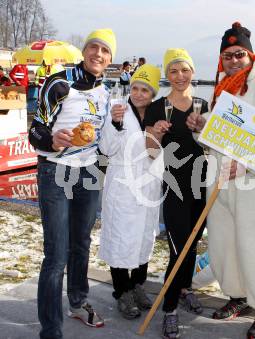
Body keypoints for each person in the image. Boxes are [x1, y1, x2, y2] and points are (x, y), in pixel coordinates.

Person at [186, 22, 255, 339]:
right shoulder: (222, 89)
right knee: (224, 244)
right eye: (227, 56)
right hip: (221, 179)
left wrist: (245, 164)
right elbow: (217, 137)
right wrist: (199, 127)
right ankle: (237, 296)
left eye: (238, 54)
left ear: (249, 54)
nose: (232, 60)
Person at [28, 28, 116, 339]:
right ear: (85, 50)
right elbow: (35, 130)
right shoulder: (60, 82)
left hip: (89, 174)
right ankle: (51, 330)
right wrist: (51, 140)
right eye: (94, 47)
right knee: (56, 254)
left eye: (106, 51)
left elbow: (105, 141)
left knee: (81, 244)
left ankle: (78, 303)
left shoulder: (106, 93)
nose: (99, 55)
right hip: (55, 172)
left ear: (110, 59)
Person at [145, 48, 208, 339]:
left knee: (193, 243)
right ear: (167, 74)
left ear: (192, 72)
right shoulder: (158, 108)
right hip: (173, 186)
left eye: (185, 70)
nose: (180, 76)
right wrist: (156, 132)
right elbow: (148, 151)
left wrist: (203, 130)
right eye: (173, 71)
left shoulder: (201, 104)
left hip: (199, 185)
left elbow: (210, 148)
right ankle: (169, 309)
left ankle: (184, 289)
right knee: (177, 248)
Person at [98, 63, 162, 320]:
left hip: (148, 182)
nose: (138, 93)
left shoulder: (159, 113)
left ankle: (137, 285)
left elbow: (160, 150)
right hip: (123, 182)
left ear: (153, 93)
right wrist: (114, 123)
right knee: (120, 238)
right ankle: (121, 290)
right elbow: (105, 148)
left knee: (145, 235)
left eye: (145, 89)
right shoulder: (119, 110)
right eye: (134, 87)